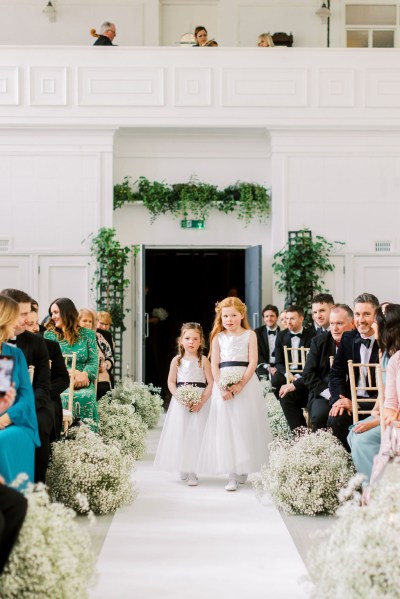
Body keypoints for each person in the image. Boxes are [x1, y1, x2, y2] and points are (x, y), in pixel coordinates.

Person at [197, 297, 268, 491]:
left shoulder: (249, 335)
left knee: (244, 424)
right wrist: (221, 386)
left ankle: (243, 467)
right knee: (227, 426)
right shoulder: (218, 337)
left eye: (233, 315)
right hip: (224, 383)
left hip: (245, 383)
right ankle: (231, 474)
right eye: (225, 315)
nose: (229, 319)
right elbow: (214, 364)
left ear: (242, 315)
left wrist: (241, 384)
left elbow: (253, 361)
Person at [1, 288, 52, 483]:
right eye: (18, 315)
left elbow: (21, 398)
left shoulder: (13, 354)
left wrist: (4, 419)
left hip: (18, 419)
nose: (22, 321)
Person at [154, 323, 213, 486]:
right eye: (187, 338)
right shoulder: (177, 360)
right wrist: (179, 397)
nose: (191, 342)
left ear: (201, 341)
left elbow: (210, 383)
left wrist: (201, 401)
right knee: (182, 433)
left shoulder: (203, 361)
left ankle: (193, 470)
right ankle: (183, 465)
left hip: (199, 402)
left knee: (195, 435)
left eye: (195, 338)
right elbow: (171, 381)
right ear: (181, 341)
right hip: (181, 402)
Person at [347, 303, 398, 480]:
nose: (371, 325)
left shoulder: (397, 358)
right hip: (386, 412)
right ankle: (373, 482)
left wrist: (375, 421)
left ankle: (378, 489)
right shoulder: (385, 353)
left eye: (375, 322)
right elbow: (384, 390)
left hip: (394, 417)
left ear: (386, 327)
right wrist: (376, 412)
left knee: (363, 439)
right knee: (353, 432)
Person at [328, 293, 380, 450]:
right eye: (357, 314)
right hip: (349, 399)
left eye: (366, 314)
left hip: (377, 405)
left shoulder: (386, 341)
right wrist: (339, 399)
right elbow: (336, 373)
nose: (361, 319)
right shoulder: (348, 337)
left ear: (376, 316)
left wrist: (357, 404)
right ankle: (345, 465)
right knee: (335, 419)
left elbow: (389, 385)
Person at [44, 298, 99, 427]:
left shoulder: (88, 335)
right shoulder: (49, 335)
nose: (53, 317)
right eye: (52, 313)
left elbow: (93, 361)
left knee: (87, 396)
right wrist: (71, 373)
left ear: (66, 312)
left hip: (83, 382)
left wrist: (85, 374)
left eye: (56, 312)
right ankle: (61, 438)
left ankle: (87, 437)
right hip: (60, 380)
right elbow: (49, 363)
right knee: (60, 397)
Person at [303, 304, 354, 431]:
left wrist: (343, 399)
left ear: (352, 324)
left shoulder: (359, 342)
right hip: (324, 392)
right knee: (321, 415)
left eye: (339, 324)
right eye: (332, 324)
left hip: (351, 395)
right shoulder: (319, 341)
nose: (334, 329)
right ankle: (322, 449)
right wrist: (331, 395)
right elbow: (308, 374)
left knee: (340, 416)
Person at [271, 305, 316, 430]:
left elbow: (312, 363)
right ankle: (298, 430)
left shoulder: (312, 335)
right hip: (287, 372)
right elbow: (278, 362)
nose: (288, 322)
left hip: (305, 373)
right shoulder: (281, 335)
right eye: (287, 318)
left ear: (301, 319)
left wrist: (300, 376)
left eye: (292, 318)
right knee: (276, 380)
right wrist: (287, 374)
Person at [78, 308, 114, 400]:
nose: (88, 323)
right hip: (82, 377)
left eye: (90, 321)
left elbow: (110, 357)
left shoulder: (99, 336)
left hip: (101, 377)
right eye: (85, 320)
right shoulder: (74, 337)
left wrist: (105, 365)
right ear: (78, 321)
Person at [255, 304, 280, 379]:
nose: (269, 319)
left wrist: (278, 367)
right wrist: (267, 367)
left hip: (279, 366)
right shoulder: (257, 332)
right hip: (263, 365)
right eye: (266, 316)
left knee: (277, 381)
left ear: (277, 317)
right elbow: (257, 353)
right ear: (263, 318)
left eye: (272, 316)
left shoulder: (283, 332)